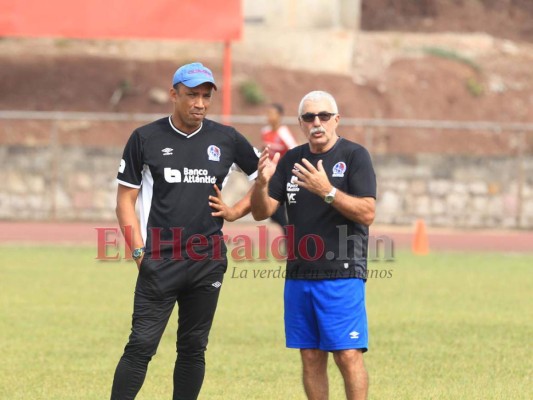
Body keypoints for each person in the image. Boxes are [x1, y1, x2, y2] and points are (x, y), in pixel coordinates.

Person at [111, 62, 259, 400]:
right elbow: (125, 201)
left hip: (207, 261)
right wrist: (138, 253)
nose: (200, 103)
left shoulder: (227, 138)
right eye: (192, 95)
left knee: (193, 348)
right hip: (158, 262)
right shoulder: (145, 138)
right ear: (173, 94)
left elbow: (264, 180)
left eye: (206, 96)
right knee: (141, 346)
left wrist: (235, 210)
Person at [251, 90, 376, 400]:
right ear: (301, 123)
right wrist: (261, 183)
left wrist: (327, 191)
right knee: (310, 355)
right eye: (309, 117)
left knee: (347, 355)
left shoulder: (354, 156)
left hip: (342, 273)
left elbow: (367, 212)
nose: (317, 122)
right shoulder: (292, 159)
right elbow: (262, 211)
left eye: (323, 116)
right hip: (299, 274)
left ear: (336, 120)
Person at [260, 103, 297, 233]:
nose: (269, 116)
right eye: (268, 113)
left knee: (280, 212)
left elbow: (294, 152)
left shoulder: (283, 132)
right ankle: (290, 237)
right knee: (274, 214)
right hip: (271, 177)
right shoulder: (265, 131)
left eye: (272, 114)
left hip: (284, 177)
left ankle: (292, 240)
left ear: (280, 116)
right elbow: (265, 151)